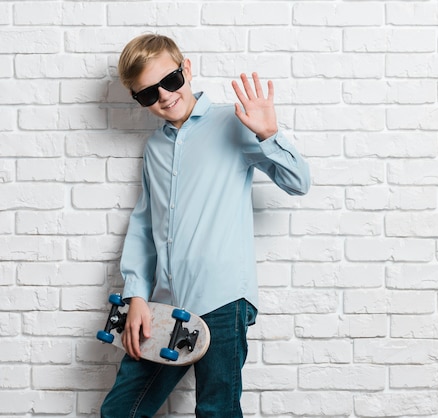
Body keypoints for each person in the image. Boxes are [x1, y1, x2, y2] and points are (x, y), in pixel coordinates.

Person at [100, 33, 310, 417]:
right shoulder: (155, 149)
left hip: (222, 300)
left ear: (187, 69)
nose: (163, 96)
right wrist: (136, 296)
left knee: (217, 412)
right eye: (147, 94)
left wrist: (268, 134)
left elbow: (298, 182)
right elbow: (145, 227)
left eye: (171, 81)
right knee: (120, 411)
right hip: (161, 307)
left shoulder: (234, 122)